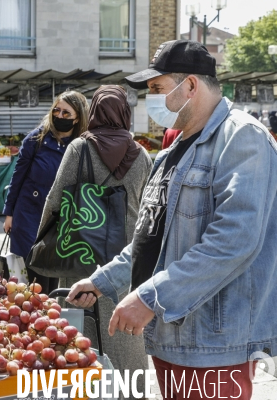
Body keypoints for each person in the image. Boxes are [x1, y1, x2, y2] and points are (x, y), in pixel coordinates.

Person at [68, 40, 277, 400]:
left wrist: (151, 298)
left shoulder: (242, 139)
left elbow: (234, 239)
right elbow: (150, 239)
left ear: (191, 85)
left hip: (213, 346)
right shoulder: (170, 153)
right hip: (170, 339)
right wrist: (101, 280)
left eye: (156, 89)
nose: (149, 100)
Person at [39, 85, 152, 399]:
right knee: (126, 332)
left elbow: (55, 199)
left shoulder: (79, 148)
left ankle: (86, 390)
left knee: (79, 328)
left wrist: (43, 240)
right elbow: (150, 207)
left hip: (80, 254)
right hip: (126, 262)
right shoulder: (141, 154)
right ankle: (131, 392)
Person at [2, 91, 89, 294]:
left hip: (60, 219)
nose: (59, 116)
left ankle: (46, 317)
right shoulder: (36, 139)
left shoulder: (81, 146)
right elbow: (18, 178)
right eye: (56, 110)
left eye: (66, 113)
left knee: (51, 274)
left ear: (78, 118)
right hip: (28, 215)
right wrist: (9, 213)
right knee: (30, 277)